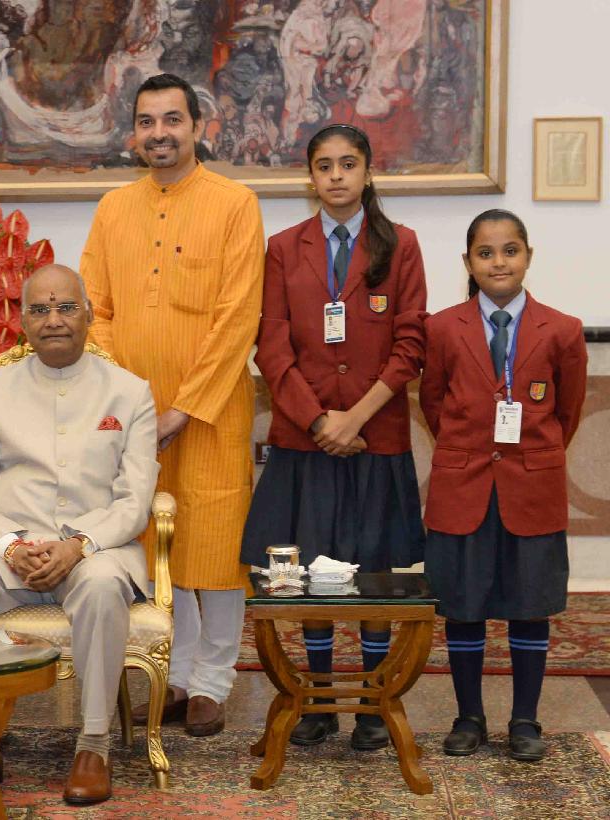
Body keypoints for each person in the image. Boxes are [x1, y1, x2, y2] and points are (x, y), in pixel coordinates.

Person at [80, 73, 265, 737]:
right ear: (134, 133)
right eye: (147, 122)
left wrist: (183, 409)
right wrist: (132, 405)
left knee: (215, 549)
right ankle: (175, 676)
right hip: (135, 415)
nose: (159, 133)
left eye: (172, 120)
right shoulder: (113, 208)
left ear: (198, 127)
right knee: (160, 547)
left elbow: (238, 316)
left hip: (211, 411)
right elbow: (95, 310)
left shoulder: (235, 204)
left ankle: (214, 679)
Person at [0, 264, 159, 806]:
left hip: (94, 548)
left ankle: (94, 744)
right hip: (6, 546)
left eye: (65, 307)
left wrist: (78, 545)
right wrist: (9, 546)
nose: (53, 319)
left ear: (88, 315)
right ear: (22, 321)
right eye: (39, 309)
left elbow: (135, 500)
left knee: (102, 585)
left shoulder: (130, 393)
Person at [241, 124, 428, 749]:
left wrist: (356, 418)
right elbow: (271, 346)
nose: (337, 176)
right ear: (311, 177)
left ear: (368, 172)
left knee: (372, 571)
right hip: (307, 440)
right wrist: (321, 421)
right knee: (311, 570)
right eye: (325, 166)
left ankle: (374, 704)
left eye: (349, 164)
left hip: (377, 437)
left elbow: (411, 344)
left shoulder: (401, 244)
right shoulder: (283, 247)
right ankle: (318, 700)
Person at [421, 210, 587, 762]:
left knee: (529, 605)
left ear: (528, 257)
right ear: (467, 262)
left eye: (510, 250)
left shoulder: (561, 329)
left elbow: (567, 412)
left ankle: (525, 720)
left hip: (531, 488)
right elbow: (433, 403)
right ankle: (468, 716)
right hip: (462, 485)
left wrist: (530, 454)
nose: (499, 262)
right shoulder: (442, 328)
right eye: (486, 253)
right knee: (463, 606)